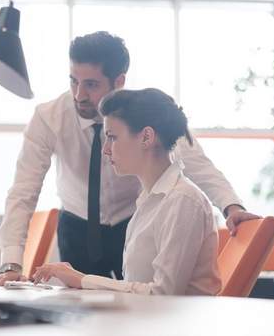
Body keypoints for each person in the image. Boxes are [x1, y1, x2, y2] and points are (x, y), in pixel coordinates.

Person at [0, 31, 260, 286]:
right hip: (77, 226)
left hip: (135, 221)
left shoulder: (144, 115)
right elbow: (23, 192)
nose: (79, 95)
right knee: (79, 313)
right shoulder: (48, 117)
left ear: (119, 81)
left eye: (91, 84)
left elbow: (195, 161)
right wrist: (10, 263)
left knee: (130, 307)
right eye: (73, 81)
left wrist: (231, 207)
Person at [32, 88, 221, 295]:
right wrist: (81, 279)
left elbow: (163, 293)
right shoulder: (149, 200)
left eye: (112, 137)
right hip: (144, 322)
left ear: (146, 137)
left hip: (169, 325)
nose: (105, 149)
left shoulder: (183, 201)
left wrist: (83, 279)